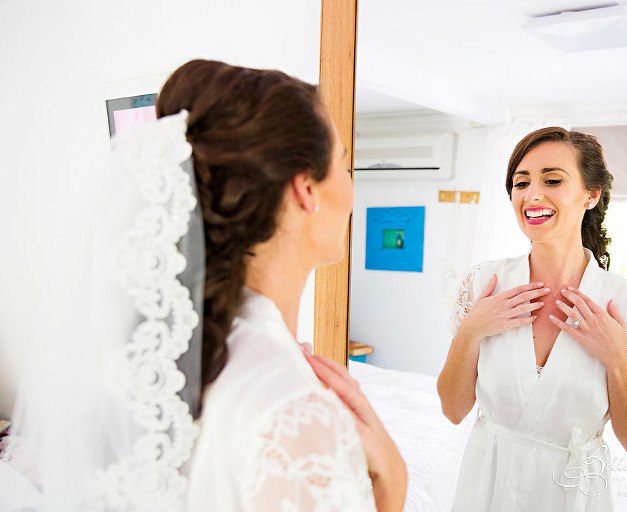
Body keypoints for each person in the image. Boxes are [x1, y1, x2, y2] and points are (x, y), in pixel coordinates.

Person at [1, 60, 406, 512]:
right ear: (305, 190)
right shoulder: (296, 416)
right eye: (344, 164)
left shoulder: (164, 368)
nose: (351, 189)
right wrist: (393, 484)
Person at [437, 127, 627, 511]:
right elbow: (453, 411)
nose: (532, 195)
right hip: (485, 488)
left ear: (591, 195)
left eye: (552, 180)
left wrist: (618, 357)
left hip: (574, 496)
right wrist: (470, 331)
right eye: (521, 183)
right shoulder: (482, 284)